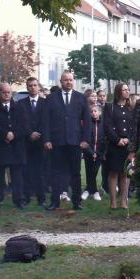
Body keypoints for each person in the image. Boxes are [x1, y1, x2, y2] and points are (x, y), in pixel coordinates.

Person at [42, 70, 91, 210]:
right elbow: (45, 121)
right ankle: (54, 202)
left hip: (75, 142)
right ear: (61, 81)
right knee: (56, 173)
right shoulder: (51, 98)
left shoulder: (81, 98)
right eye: (65, 80)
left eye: (70, 80)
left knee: (75, 173)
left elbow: (87, 121)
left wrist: (85, 139)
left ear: (73, 81)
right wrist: (46, 139)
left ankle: (77, 202)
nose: (68, 82)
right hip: (56, 142)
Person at [0, 83, 29, 209]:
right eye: (4, 92)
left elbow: (24, 126)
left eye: (9, 92)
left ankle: (19, 199)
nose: (6, 95)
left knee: (17, 175)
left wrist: (14, 134)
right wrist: (5, 134)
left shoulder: (20, 108)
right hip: (0, 146)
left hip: (16, 146)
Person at [18, 77, 48, 207]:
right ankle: (27, 197)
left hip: (41, 142)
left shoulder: (46, 103)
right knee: (26, 171)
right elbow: (21, 123)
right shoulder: (21, 104)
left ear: (39, 87)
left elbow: (47, 121)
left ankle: (41, 198)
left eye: (35, 85)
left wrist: (39, 133)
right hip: (26, 142)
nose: (33, 87)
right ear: (27, 87)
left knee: (41, 172)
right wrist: (30, 133)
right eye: (30, 85)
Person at [103, 83, 133, 209]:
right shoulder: (110, 107)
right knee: (114, 173)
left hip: (127, 145)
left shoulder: (131, 107)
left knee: (125, 173)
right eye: (124, 90)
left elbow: (134, 125)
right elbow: (107, 126)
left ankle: (124, 201)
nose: (127, 92)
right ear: (118, 92)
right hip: (115, 145)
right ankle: (113, 202)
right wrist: (117, 140)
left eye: (128, 89)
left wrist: (128, 139)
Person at [83, 105, 105, 201]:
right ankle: (93, 191)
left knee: (94, 172)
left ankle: (90, 189)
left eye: (95, 111)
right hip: (88, 152)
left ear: (100, 112)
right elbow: (85, 139)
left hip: (99, 152)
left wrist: (100, 153)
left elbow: (105, 139)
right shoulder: (87, 124)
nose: (93, 113)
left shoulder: (103, 124)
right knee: (89, 171)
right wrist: (91, 152)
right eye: (91, 111)